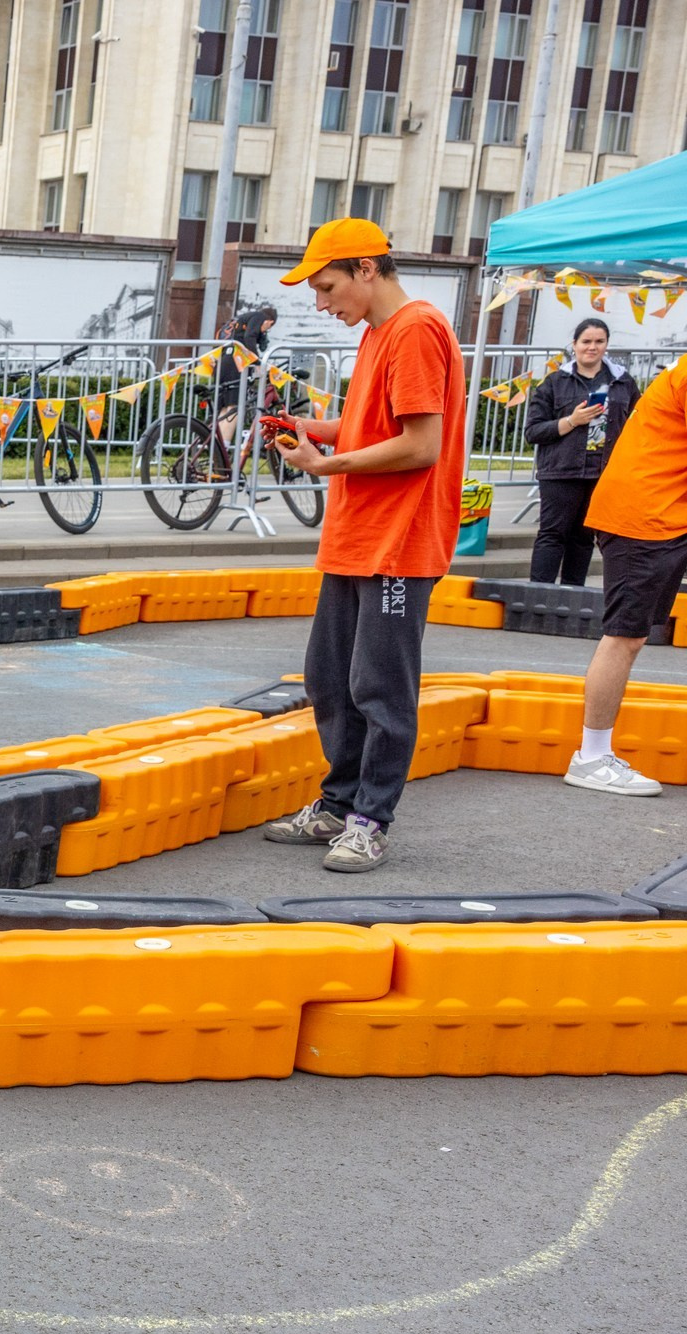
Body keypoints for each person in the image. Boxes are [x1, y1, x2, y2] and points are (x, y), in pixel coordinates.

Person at [263, 219, 465, 874]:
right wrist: (305, 428)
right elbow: (368, 427)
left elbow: (421, 445)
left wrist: (325, 466)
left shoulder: (413, 330)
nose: (323, 304)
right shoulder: (383, 333)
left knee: (379, 688)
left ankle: (369, 821)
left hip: (398, 540)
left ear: (367, 270)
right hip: (359, 538)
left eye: (327, 288)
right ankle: (339, 804)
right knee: (330, 679)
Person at [564, 353, 687, 796]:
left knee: (629, 635)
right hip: (645, 514)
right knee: (625, 635)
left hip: (660, 510)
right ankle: (591, 756)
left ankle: (594, 753)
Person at [525, 317, 637, 588]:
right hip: (561, 471)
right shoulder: (554, 382)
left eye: (599, 342)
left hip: (603, 472)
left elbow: (637, 424)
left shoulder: (623, 382)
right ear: (574, 345)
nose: (592, 347)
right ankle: (538, 594)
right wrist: (571, 421)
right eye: (586, 341)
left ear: (606, 345)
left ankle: (574, 593)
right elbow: (534, 431)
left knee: (584, 536)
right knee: (552, 534)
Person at [213, 303, 280, 456]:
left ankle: (217, 447)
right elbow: (249, 336)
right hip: (235, 364)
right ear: (270, 321)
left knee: (225, 409)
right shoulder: (259, 316)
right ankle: (222, 452)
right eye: (268, 327)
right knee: (234, 408)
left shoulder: (240, 320)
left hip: (223, 361)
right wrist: (258, 363)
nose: (266, 331)